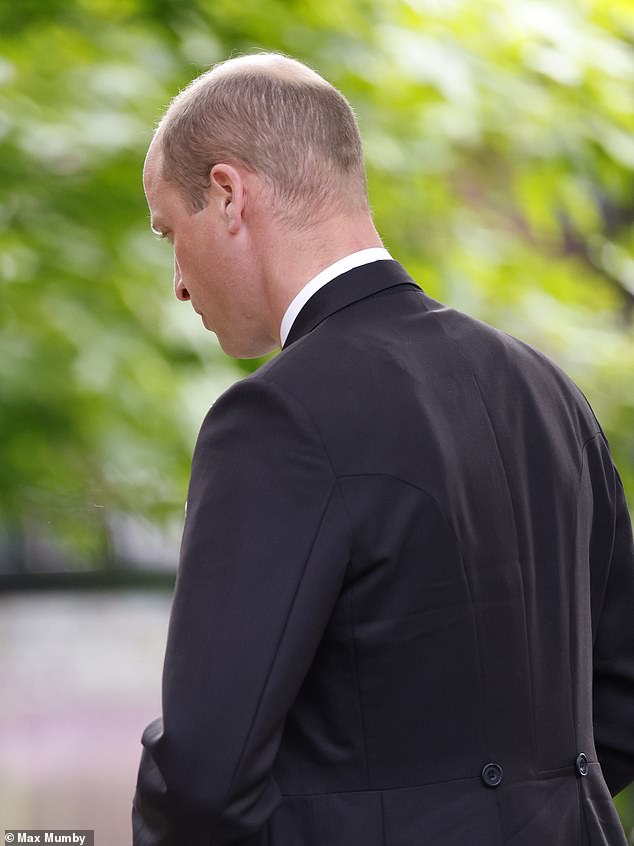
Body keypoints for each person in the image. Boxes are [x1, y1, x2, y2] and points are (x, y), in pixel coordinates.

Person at [132, 52, 634, 846]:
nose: (179, 282)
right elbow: (621, 700)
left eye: (170, 231)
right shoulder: (549, 392)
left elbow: (204, 780)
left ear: (227, 195)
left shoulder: (275, 420)